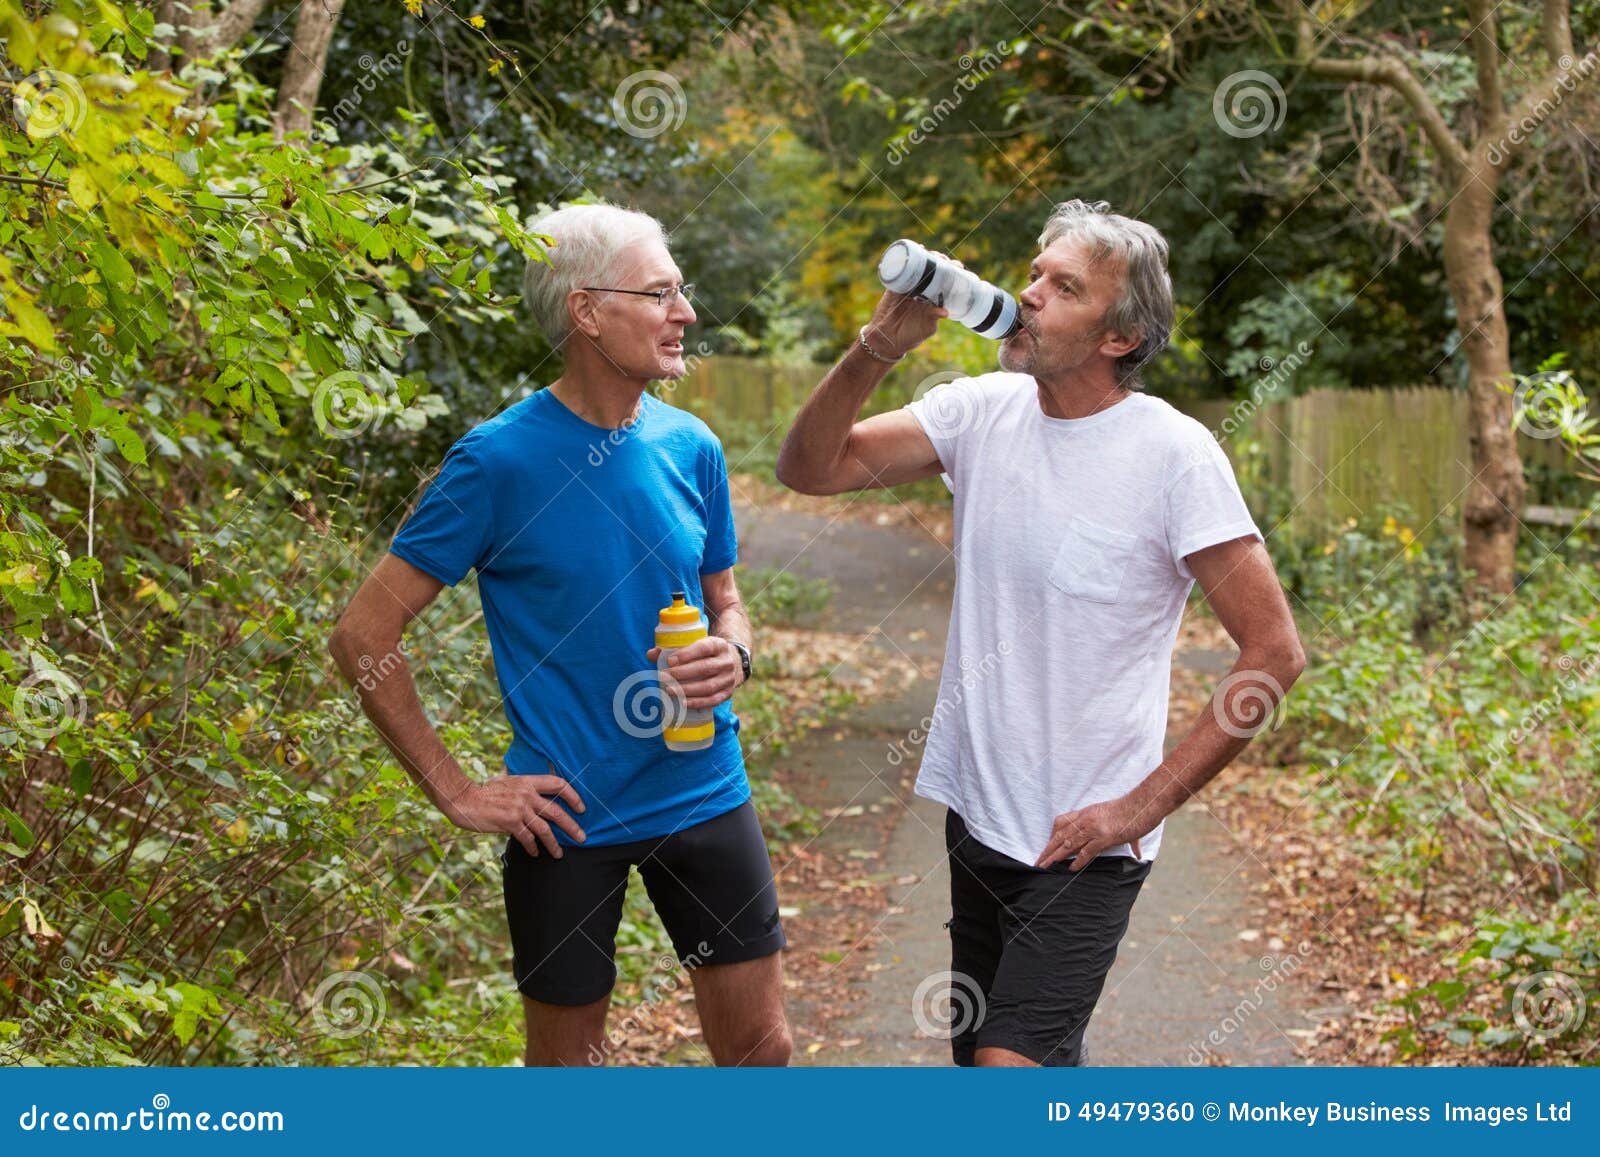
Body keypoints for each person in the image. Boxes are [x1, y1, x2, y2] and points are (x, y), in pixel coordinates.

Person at [775, 199, 1305, 1067]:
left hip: (1089, 840)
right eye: (1033, 274)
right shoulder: (979, 412)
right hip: (979, 816)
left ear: (1119, 338)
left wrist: (1142, 805)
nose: (1029, 296)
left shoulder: (1175, 455)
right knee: (1004, 1056)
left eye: (1064, 287)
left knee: (1003, 1071)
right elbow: (808, 468)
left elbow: (1275, 651)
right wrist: (879, 347)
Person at [329, 203, 790, 1067]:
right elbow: (362, 633)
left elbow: (726, 598)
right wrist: (456, 788)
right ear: (586, 310)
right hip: (566, 819)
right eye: (660, 294)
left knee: (762, 1050)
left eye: (681, 292)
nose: (686, 312)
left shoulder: (692, 445)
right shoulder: (496, 461)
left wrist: (734, 650)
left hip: (704, 788)